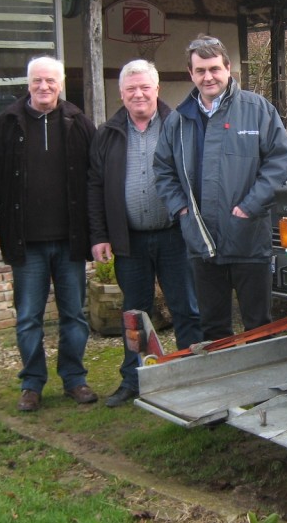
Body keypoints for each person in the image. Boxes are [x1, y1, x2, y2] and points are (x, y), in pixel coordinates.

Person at [154, 35, 287, 341]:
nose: (208, 76)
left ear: (228, 68)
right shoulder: (178, 121)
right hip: (201, 241)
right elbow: (163, 170)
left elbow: (279, 162)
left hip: (248, 238)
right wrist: (182, 209)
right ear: (191, 74)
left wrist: (250, 207)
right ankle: (224, 387)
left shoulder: (257, 110)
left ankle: (260, 386)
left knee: (258, 325)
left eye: (214, 68)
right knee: (214, 329)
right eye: (200, 70)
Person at [0, 56, 98, 412]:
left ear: (60, 83)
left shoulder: (79, 124)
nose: (44, 87)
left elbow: (95, 181)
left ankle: (74, 379)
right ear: (28, 84)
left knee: (74, 316)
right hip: (25, 241)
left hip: (69, 240)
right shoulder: (5, 125)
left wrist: (96, 232)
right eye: (37, 81)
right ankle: (32, 383)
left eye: (50, 81)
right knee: (29, 316)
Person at [89, 59, 201, 407]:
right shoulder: (107, 134)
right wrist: (99, 235)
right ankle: (134, 379)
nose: (138, 94)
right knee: (134, 313)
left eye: (144, 87)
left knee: (186, 309)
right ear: (121, 94)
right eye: (131, 89)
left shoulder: (179, 125)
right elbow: (94, 187)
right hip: (129, 240)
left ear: (157, 90)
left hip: (175, 236)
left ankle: (190, 376)